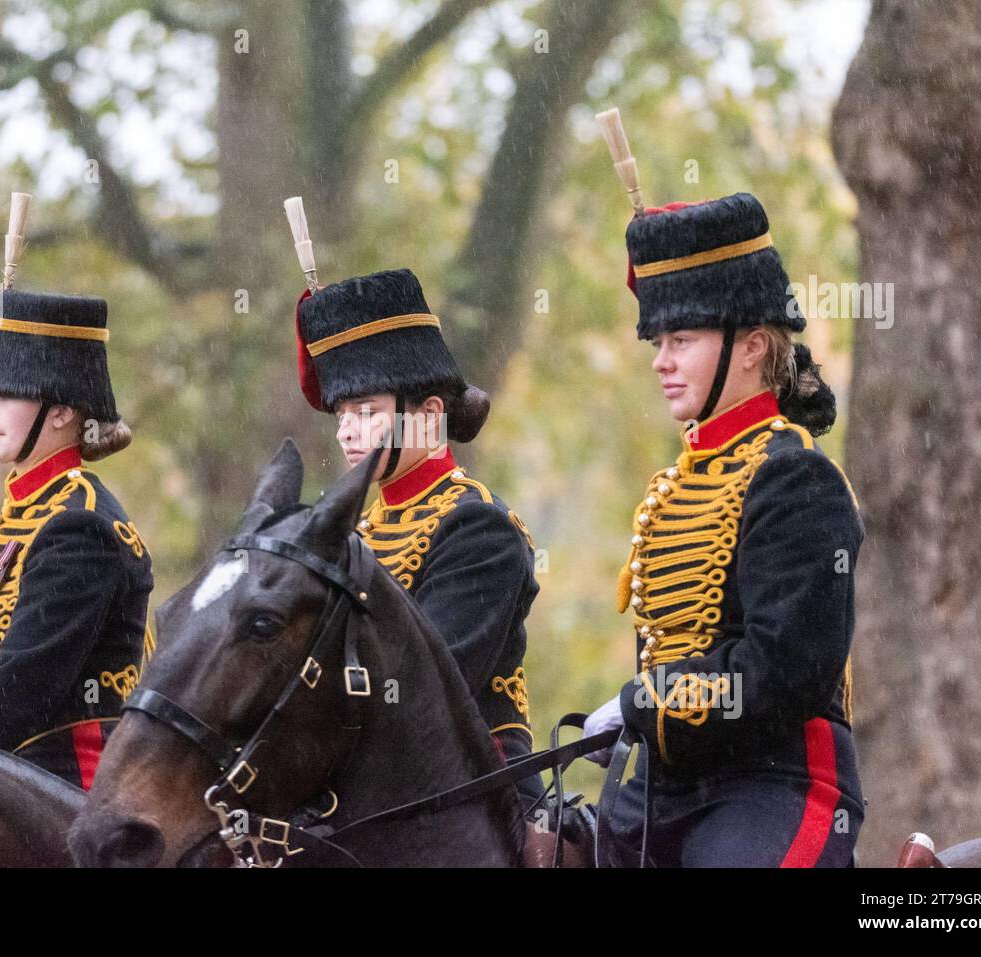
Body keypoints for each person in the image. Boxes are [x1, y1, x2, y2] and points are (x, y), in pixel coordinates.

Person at [582, 192, 865, 866]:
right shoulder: (674, 484)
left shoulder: (797, 478)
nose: (661, 359)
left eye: (681, 339)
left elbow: (781, 671)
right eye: (659, 341)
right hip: (659, 787)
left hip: (773, 787)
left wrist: (645, 702)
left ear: (752, 347)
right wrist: (640, 716)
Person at [292, 267, 546, 809]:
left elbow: (428, 687)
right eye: (342, 414)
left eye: (366, 412)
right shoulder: (350, 536)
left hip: (470, 790)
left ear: (429, 416)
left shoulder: (478, 527)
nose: (346, 430)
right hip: (358, 785)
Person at [0, 289, 154, 790]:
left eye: (5, 394)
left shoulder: (80, 526)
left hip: (73, 785)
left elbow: (25, 687)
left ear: (61, 411)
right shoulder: (33, 511)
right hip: (16, 775)